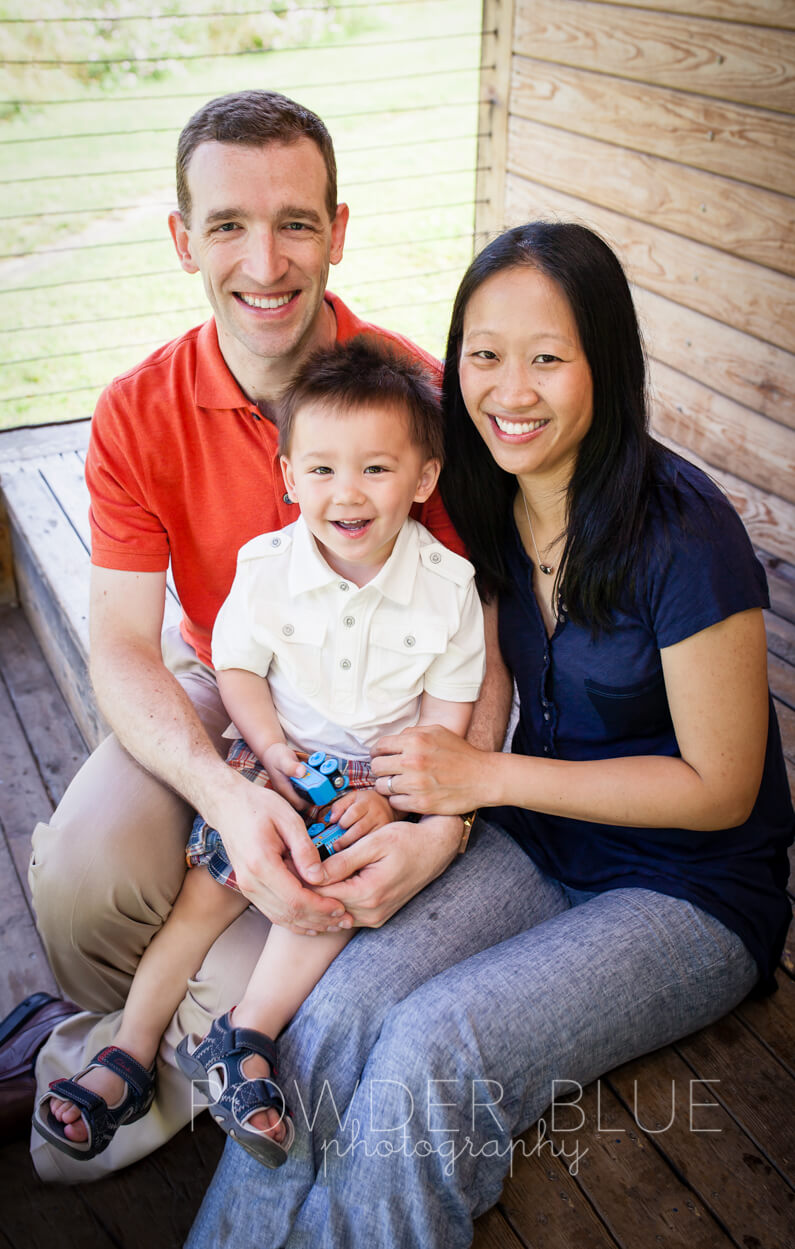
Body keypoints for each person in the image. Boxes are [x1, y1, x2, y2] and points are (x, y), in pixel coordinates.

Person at [185, 222, 793, 1249]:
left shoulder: (685, 534)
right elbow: (462, 651)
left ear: (607, 357)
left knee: (431, 1049)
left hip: (687, 893)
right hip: (537, 837)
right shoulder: (480, 493)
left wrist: (481, 776)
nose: (511, 390)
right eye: (484, 354)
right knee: (331, 1010)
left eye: (548, 357)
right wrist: (430, 799)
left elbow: (722, 788)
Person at [1, 89, 503, 1182]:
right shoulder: (140, 409)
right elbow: (126, 643)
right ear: (185, 240)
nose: (265, 262)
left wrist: (444, 820)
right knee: (83, 888)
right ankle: (186, 1030)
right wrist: (232, 788)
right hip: (237, 686)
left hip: (383, 720)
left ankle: (169, 1047)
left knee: (333, 904)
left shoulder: (413, 399)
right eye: (228, 224)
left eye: (295, 222)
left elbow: (482, 626)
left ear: (339, 229)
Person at [32, 338, 485, 1166]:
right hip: (276, 759)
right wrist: (268, 749)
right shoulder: (267, 566)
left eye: (376, 471)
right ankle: (127, 1049)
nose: (346, 494)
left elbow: (445, 717)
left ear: (423, 480)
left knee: (323, 899)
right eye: (320, 471)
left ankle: (246, 1039)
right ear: (287, 475)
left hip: (367, 785)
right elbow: (236, 665)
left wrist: (396, 799)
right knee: (201, 904)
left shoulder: (447, 586)